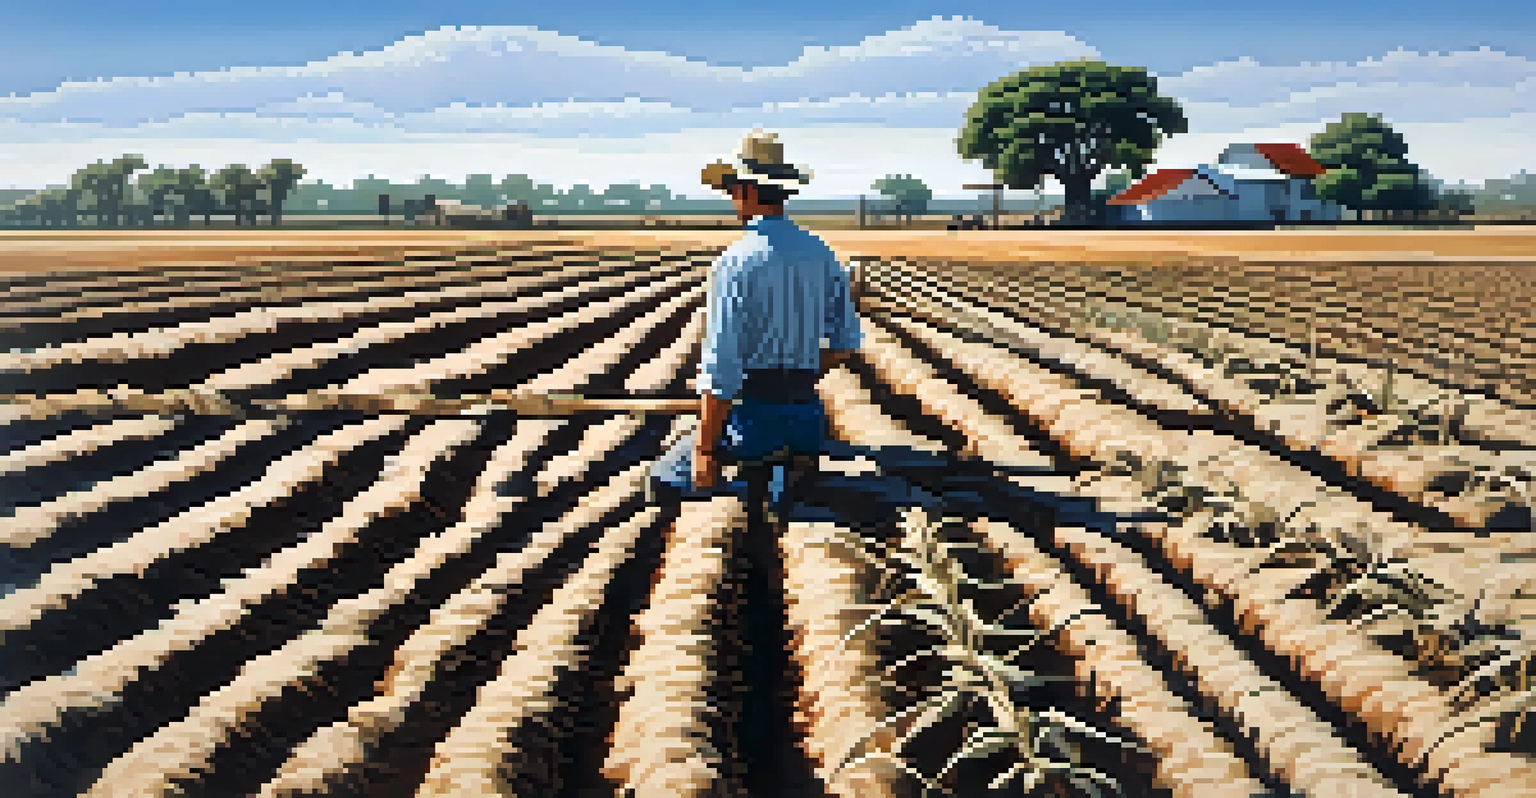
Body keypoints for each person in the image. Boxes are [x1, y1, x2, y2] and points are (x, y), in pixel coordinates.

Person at [647, 129, 863, 517]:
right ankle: (785, 475)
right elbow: (846, 342)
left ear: (747, 191)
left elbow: (722, 366)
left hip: (752, 423)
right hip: (807, 420)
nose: (732, 199)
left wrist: (705, 449)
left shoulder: (736, 261)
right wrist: (802, 370)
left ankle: (746, 491)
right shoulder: (822, 254)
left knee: (663, 478)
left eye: (732, 189)